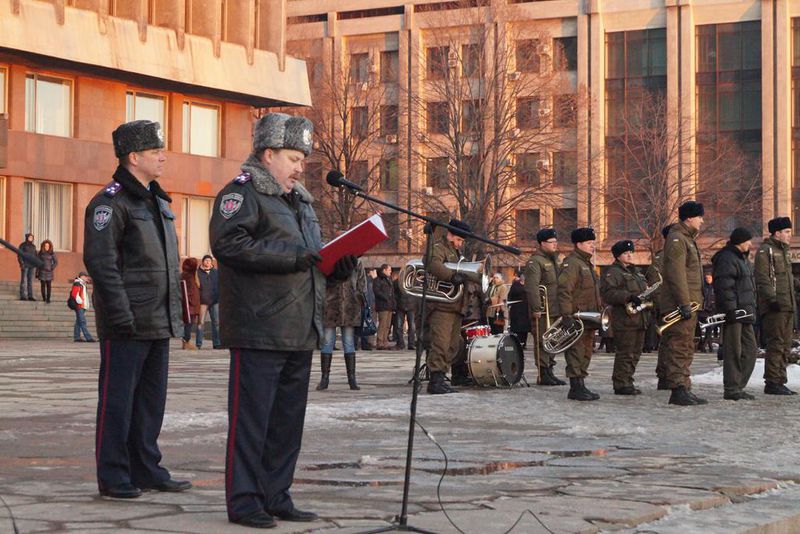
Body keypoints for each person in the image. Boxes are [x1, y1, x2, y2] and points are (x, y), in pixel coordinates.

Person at [209, 112, 357, 528]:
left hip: (299, 326)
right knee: (252, 421)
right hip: (260, 327)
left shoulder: (301, 202)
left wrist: (337, 266)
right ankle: (244, 501)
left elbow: (311, 259)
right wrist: (295, 257)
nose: (299, 167)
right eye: (293, 157)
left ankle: (277, 494)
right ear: (268, 153)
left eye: (302, 160)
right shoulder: (242, 195)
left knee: (287, 423)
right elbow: (229, 245)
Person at [84, 119, 191, 499]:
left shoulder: (158, 201)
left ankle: (146, 468)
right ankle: (114, 475)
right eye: (154, 151)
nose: (163, 157)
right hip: (127, 323)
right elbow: (102, 263)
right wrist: (121, 315)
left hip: (158, 320)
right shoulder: (110, 203)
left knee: (150, 403)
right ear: (133, 157)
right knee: (118, 402)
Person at [424, 219, 478, 394]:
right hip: (441, 306)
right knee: (440, 343)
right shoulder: (439, 248)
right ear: (451, 235)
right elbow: (432, 264)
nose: (460, 244)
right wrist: (450, 276)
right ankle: (435, 380)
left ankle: (441, 377)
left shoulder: (455, 253)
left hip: (455, 306)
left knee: (453, 345)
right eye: (459, 240)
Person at [661, 200, 707, 406]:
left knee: (686, 345)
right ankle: (677, 389)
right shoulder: (678, 238)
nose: (702, 221)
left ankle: (684, 386)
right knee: (679, 345)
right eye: (699, 217)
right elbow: (676, 273)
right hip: (680, 304)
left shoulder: (687, 238)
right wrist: (683, 303)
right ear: (689, 217)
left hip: (689, 302)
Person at [754, 217, 798, 395]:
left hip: (787, 305)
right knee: (776, 343)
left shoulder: (784, 251)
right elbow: (762, 278)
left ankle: (780, 380)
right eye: (787, 232)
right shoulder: (766, 251)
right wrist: (772, 300)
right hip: (775, 306)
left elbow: (786, 279)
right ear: (777, 233)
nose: (789, 235)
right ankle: (772, 381)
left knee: (785, 345)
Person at [712, 227, 757, 401]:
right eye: (748, 241)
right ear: (740, 241)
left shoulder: (741, 258)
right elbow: (724, 286)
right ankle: (731, 388)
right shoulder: (727, 258)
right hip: (734, 313)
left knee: (750, 350)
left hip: (744, 312)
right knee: (733, 351)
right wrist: (730, 310)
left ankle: (737, 385)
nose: (750, 244)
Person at [558, 227, 602, 401]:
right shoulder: (573, 263)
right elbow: (564, 290)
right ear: (579, 244)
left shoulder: (586, 263)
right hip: (577, 317)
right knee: (576, 351)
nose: (593, 246)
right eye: (590, 243)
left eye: (593, 243)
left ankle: (581, 384)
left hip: (589, 316)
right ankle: (575, 387)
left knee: (586, 351)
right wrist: (567, 315)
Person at [600, 240, 649, 395]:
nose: (630, 255)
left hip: (639, 318)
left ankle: (628, 379)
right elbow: (608, 294)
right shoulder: (613, 272)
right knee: (625, 352)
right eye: (626, 253)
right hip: (625, 319)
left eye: (631, 252)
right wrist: (628, 296)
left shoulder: (637, 272)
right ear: (618, 256)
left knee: (636, 352)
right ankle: (621, 383)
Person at [523, 228, 565, 386]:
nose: (555, 245)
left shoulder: (554, 260)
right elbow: (532, 287)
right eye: (551, 242)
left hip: (555, 307)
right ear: (542, 243)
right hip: (543, 309)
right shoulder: (535, 261)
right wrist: (535, 308)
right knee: (542, 341)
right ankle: (543, 372)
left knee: (553, 340)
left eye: (556, 242)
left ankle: (550, 370)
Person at [318, 257, 367, 391]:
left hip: (349, 305)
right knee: (328, 341)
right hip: (331, 305)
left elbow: (361, 282)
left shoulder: (356, 260)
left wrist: (359, 297)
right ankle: (325, 378)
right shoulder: (331, 257)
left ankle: (351, 379)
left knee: (348, 342)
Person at [647, 224, 673, 389]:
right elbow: (656, 285)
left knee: (676, 344)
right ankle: (665, 375)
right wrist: (662, 306)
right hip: (667, 306)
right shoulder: (661, 259)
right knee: (668, 343)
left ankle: (670, 375)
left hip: (677, 304)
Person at [197, 255, 221, 349]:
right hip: (203, 300)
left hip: (215, 300)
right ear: (203, 262)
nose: (208, 262)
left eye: (209, 260)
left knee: (216, 322)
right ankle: (199, 343)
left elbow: (220, 284)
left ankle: (217, 343)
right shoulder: (198, 273)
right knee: (200, 322)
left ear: (212, 262)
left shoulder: (216, 272)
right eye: (206, 260)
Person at [373, 264, 396, 350]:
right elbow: (376, 291)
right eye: (389, 270)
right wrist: (385, 297)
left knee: (387, 325)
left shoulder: (389, 279)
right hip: (383, 305)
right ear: (384, 270)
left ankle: (385, 341)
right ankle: (380, 342)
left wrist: (393, 304)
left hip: (389, 305)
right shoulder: (378, 279)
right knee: (382, 324)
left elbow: (392, 293)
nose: (391, 272)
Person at [180, 257, 201, 350]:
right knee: (189, 323)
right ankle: (186, 341)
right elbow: (189, 291)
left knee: (188, 323)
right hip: (190, 305)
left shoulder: (188, 275)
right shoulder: (189, 276)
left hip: (191, 304)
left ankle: (186, 342)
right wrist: (191, 301)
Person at [394, 268, 416, 350]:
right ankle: (402, 343)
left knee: (409, 326)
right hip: (403, 306)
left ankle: (408, 344)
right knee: (401, 326)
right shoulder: (397, 282)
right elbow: (394, 293)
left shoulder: (414, 281)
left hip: (409, 306)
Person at [507, 271, 530, 350]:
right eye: (522, 276)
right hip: (516, 309)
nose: (523, 277)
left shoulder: (528, 284)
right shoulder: (515, 284)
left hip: (526, 309)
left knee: (525, 327)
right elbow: (510, 295)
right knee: (517, 327)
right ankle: (517, 342)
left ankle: (524, 343)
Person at [70, 271, 96, 342]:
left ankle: (77, 337)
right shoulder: (77, 283)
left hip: (82, 305)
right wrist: (80, 301)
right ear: (82, 276)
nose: (87, 278)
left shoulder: (82, 284)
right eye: (86, 276)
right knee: (82, 321)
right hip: (79, 306)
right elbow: (74, 294)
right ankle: (88, 337)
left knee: (78, 322)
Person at [358, 268, 377, 350]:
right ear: (370, 273)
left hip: (369, 304)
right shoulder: (368, 281)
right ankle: (364, 343)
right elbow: (367, 294)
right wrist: (368, 304)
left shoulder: (371, 281)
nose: (376, 273)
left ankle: (366, 343)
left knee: (366, 324)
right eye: (374, 272)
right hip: (366, 305)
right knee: (365, 324)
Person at [698, 273, 717, 352]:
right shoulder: (703, 287)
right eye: (706, 278)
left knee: (710, 327)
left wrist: (712, 306)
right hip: (704, 311)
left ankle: (706, 345)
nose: (708, 279)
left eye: (709, 277)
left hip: (712, 311)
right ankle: (706, 345)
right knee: (708, 327)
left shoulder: (714, 287)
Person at [36, 239, 58, 303]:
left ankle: (48, 298)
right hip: (42, 271)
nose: (47, 247)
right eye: (45, 246)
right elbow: (37, 262)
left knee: (49, 285)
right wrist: (37, 271)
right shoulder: (40, 253)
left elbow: (56, 262)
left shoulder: (52, 253)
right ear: (43, 246)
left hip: (49, 272)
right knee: (42, 285)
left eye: (48, 246)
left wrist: (52, 267)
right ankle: (44, 298)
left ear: (50, 246)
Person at [18, 233, 36, 301]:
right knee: (24, 281)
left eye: (32, 237)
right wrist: (21, 263)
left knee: (30, 281)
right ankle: (23, 295)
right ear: (27, 237)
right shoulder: (22, 245)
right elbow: (19, 255)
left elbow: (35, 256)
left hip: (32, 266)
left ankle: (30, 295)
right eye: (30, 237)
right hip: (25, 265)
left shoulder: (33, 246)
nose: (31, 238)